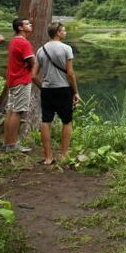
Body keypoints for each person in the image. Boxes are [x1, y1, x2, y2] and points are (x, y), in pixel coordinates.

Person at [35, 22, 80, 165]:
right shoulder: (66, 48)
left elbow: (32, 75)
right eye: (64, 31)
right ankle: (64, 155)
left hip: (47, 89)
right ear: (58, 33)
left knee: (46, 121)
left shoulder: (40, 50)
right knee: (67, 121)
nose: (65, 33)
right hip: (63, 89)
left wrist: (42, 87)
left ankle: (48, 157)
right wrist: (75, 92)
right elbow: (70, 73)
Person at [3, 17, 39, 152]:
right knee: (17, 111)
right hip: (22, 80)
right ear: (20, 28)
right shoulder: (24, 43)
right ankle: (12, 144)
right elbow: (33, 62)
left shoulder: (14, 41)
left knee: (11, 111)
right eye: (27, 24)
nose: (30, 24)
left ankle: (7, 142)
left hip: (13, 80)